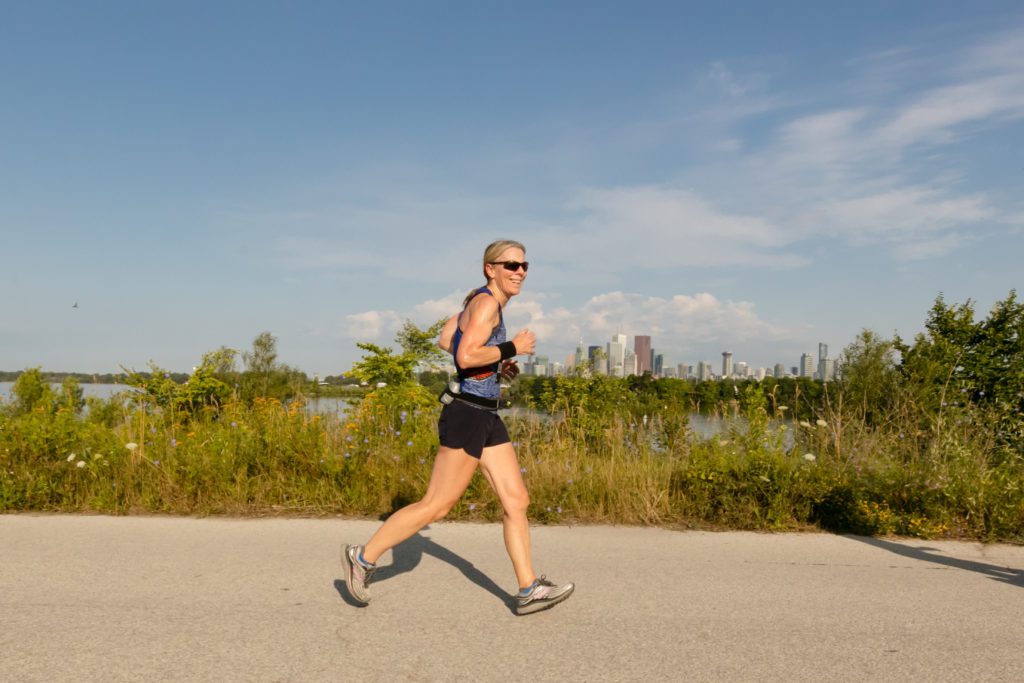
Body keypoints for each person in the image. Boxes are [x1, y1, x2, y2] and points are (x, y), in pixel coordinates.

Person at [341, 239, 574, 616]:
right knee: (436, 505)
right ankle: (362, 559)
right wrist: (510, 348)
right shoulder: (485, 304)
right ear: (490, 268)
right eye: (511, 265)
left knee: (516, 501)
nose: (520, 272)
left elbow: (447, 338)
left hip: (486, 414)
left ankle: (528, 588)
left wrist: (494, 365)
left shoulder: (479, 302)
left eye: (524, 265)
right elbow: (465, 356)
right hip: (467, 413)